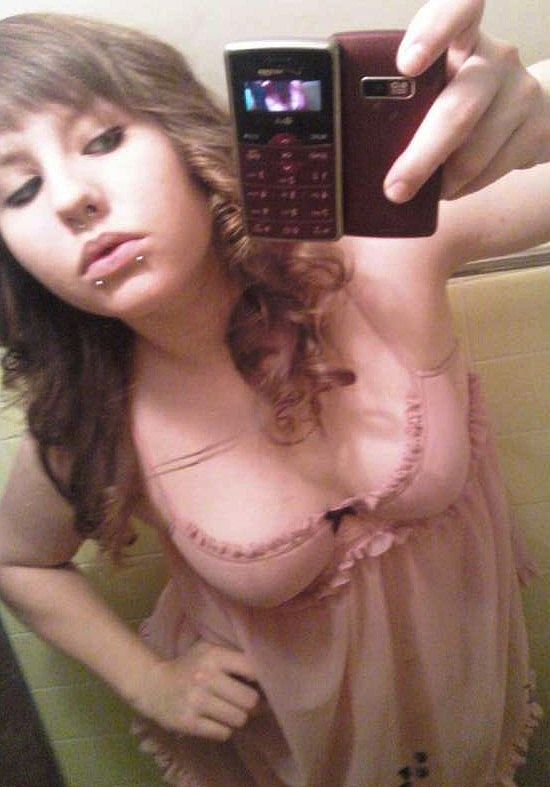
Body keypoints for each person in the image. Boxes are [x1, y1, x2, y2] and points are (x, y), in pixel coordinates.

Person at [0, 2, 548, 785]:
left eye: (103, 140)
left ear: (185, 138)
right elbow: (18, 560)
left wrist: (534, 114)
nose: (68, 199)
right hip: (295, 751)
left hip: (469, 694)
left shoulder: (378, 244)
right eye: (18, 190)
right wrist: (149, 680)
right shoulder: (92, 413)